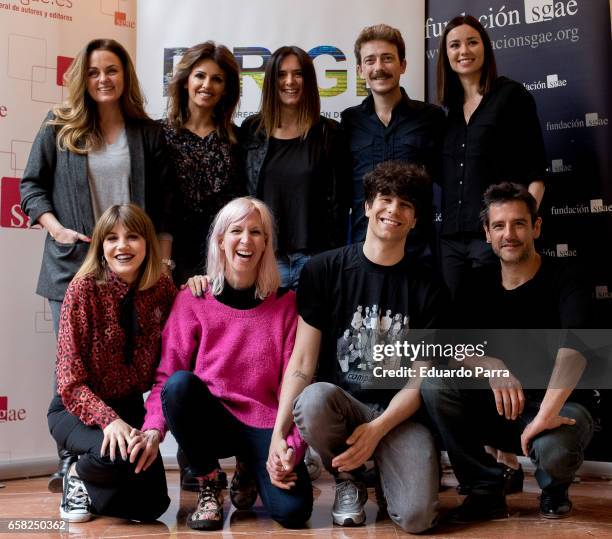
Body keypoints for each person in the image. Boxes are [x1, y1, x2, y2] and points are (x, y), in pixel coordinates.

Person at [20, 38, 173, 491]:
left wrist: (162, 262)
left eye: (111, 70)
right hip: (75, 265)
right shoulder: (59, 125)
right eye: (93, 72)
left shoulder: (147, 132)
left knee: (126, 369)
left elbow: (164, 207)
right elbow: (31, 186)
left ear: (125, 75)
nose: (103, 79)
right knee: (71, 370)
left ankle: (111, 450)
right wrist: (57, 229)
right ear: (82, 79)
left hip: (135, 269)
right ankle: (71, 462)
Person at [268, 161, 449, 533]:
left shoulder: (429, 287)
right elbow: (302, 363)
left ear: (415, 220)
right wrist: (278, 434)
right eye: (385, 199)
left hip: (399, 416)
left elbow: (418, 383)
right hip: (344, 405)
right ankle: (348, 478)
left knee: (417, 520)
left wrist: (378, 429)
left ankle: (385, 476)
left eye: (405, 205)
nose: (393, 211)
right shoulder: (323, 270)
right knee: (313, 399)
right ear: (367, 206)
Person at [421, 183, 593, 523]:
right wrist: (489, 364)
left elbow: (576, 349)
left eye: (518, 223)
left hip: (557, 408)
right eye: (499, 226)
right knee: (436, 384)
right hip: (500, 408)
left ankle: (554, 487)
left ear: (536, 227)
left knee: (553, 449)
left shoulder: (566, 276)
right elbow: (447, 343)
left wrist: (544, 415)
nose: (509, 234)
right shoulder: (476, 282)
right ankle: (484, 489)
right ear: (487, 233)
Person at [142, 197, 313, 531]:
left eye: (256, 232)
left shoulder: (286, 304)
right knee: (179, 386)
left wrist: (290, 447)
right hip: (214, 421)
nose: (246, 240)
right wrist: (153, 428)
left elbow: (296, 384)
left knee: (294, 512)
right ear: (220, 240)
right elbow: (165, 378)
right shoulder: (193, 299)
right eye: (236, 231)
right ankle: (209, 482)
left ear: (266, 244)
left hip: (265, 422)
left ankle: (251, 466)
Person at [47, 204, 176, 523]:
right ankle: (77, 474)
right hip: (75, 408)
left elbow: (173, 360)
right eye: (112, 238)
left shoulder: (162, 289)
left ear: (147, 243)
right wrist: (109, 422)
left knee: (151, 505)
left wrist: (151, 430)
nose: (122, 246)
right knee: (116, 455)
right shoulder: (82, 289)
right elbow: (70, 383)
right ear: (101, 246)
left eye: (132, 237)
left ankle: (97, 485)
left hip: (129, 406)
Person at [436, 15, 547, 296]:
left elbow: (536, 174)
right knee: (455, 324)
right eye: (455, 45)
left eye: (472, 42)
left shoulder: (511, 96)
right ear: (445, 55)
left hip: (493, 238)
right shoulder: (446, 114)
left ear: (485, 47)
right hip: (450, 241)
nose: (464, 51)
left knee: (490, 322)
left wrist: (519, 228)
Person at [240, 46, 351, 290]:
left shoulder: (329, 133)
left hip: (315, 259)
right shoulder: (252, 131)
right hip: (265, 258)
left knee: (313, 329)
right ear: (271, 80)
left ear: (309, 80)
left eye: (298, 74)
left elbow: (340, 204)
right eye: (281, 74)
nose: (290, 81)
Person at [342, 23, 444, 259]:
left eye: (387, 58)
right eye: (370, 60)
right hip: (362, 247)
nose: (379, 67)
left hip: (417, 250)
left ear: (403, 65)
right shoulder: (349, 121)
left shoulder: (431, 118)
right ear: (360, 70)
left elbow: (448, 179)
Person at [161, 41, 244, 286]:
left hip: (224, 259)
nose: (207, 85)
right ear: (185, 80)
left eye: (217, 79)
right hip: (169, 259)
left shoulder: (239, 140)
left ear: (225, 89)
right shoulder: (157, 135)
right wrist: (163, 264)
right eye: (200, 76)